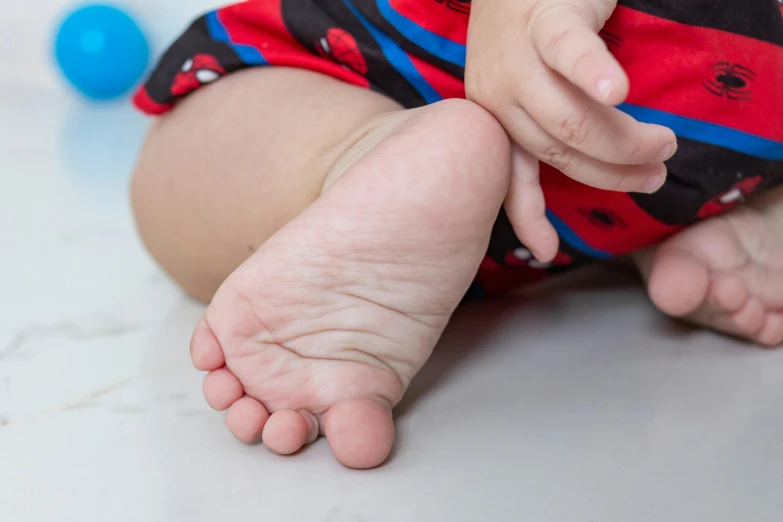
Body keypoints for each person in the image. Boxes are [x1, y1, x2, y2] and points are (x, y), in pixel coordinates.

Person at [130, 0, 783, 468]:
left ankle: (368, 156)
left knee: (182, 181)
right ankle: (377, 153)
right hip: (671, 110)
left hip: (624, 146)